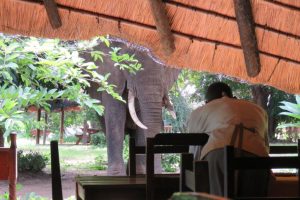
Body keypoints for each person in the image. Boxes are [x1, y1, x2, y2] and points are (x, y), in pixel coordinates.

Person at [187, 82, 269, 197]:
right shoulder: (258, 110)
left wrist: (195, 175)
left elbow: (194, 147)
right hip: (256, 155)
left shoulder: (200, 111)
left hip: (217, 152)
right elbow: (265, 145)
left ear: (207, 102)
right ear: (234, 97)